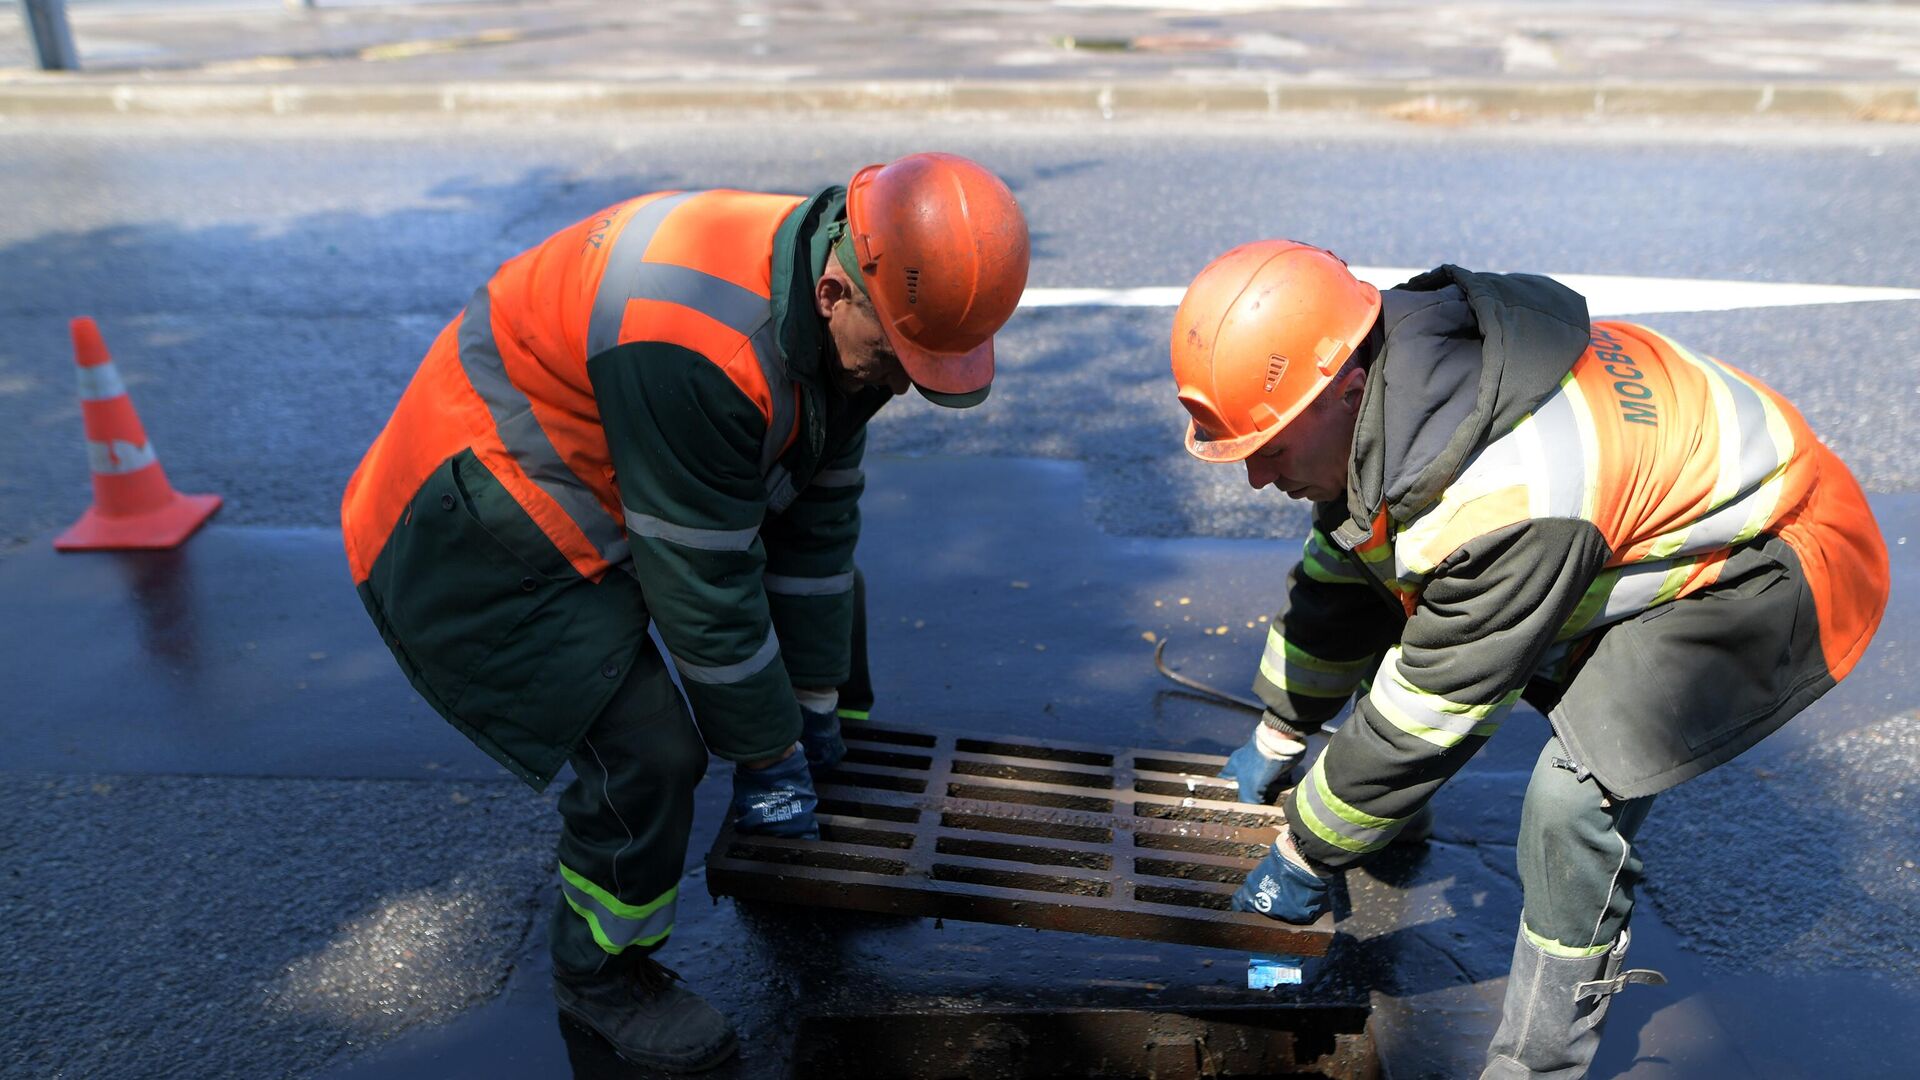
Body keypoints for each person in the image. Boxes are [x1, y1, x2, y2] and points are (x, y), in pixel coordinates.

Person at [340, 153, 1030, 1073]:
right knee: (648, 754)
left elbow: (818, 524)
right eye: (901, 358)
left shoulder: (847, 280)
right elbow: (703, 585)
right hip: (473, 513)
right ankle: (600, 975)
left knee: (832, 612)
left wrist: (814, 710)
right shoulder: (698, 342)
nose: (904, 384)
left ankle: (809, 797)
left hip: (609, 461)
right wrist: (766, 750)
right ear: (835, 292)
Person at [1169, 240, 1888, 1078]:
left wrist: (1304, 851)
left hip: (1778, 559)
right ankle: (1389, 822)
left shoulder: (1506, 496)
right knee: (1403, 590)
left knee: (1573, 797)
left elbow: (1432, 709)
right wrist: (1280, 730)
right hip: (1637, 514)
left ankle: (1540, 1061)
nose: (1257, 476)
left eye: (1273, 448)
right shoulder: (1391, 380)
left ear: (1347, 387)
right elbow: (1344, 570)